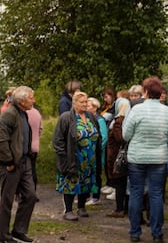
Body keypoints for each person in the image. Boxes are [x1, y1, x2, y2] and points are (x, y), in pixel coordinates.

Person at [122, 77, 168, 243]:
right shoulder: (167, 111)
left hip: (137, 156)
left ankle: (135, 231)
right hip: (159, 157)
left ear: (145, 91)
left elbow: (126, 135)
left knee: (136, 193)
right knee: (156, 194)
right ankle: (157, 232)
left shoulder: (136, 110)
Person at [0, 86, 39, 243]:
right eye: (31, 98)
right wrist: (8, 162)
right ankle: (3, 235)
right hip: (12, 163)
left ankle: (19, 231)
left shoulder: (23, 113)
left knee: (30, 195)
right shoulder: (9, 114)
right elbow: (2, 139)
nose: (33, 101)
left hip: (25, 161)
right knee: (7, 199)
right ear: (22, 101)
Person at [53, 91, 100, 221]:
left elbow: (97, 134)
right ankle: (68, 210)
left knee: (86, 182)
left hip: (89, 158)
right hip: (72, 157)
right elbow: (58, 140)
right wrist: (63, 157)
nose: (85, 104)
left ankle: (81, 207)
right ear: (74, 103)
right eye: (82, 102)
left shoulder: (90, 116)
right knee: (71, 183)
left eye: (86, 102)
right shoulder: (66, 117)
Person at [104, 98, 130, 218]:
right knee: (124, 183)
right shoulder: (128, 119)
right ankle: (124, 207)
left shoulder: (119, 121)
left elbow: (120, 138)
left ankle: (120, 208)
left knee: (120, 184)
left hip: (117, 156)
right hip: (124, 155)